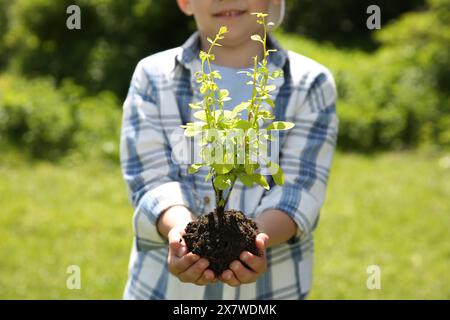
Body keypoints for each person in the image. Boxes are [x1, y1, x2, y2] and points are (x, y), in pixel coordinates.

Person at [120, 0, 338, 300]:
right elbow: (150, 178)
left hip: (270, 293)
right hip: (165, 291)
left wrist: (254, 241)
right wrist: (182, 237)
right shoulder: (153, 76)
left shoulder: (309, 82)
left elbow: (300, 191)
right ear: (185, 2)